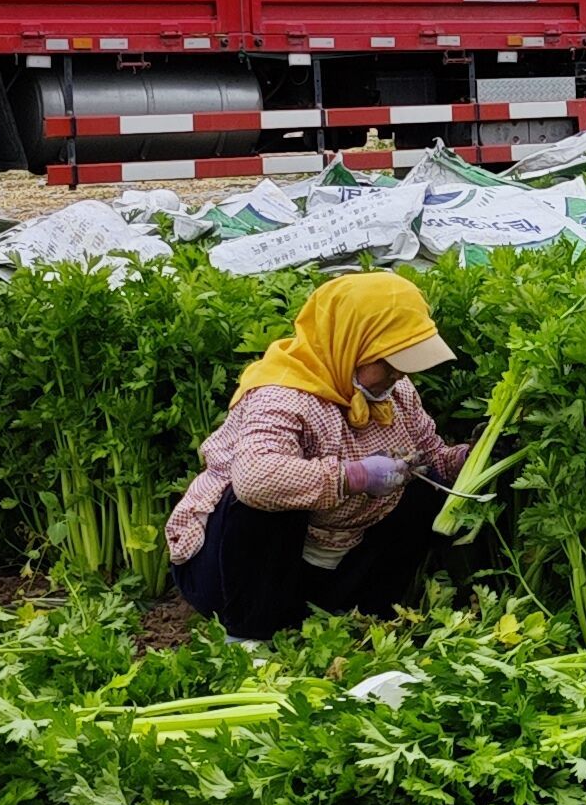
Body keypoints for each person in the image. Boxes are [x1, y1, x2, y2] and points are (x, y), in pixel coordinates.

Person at [163, 270, 469, 640]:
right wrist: (353, 477)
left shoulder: (395, 394)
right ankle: (249, 634)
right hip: (233, 574)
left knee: (425, 490)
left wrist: (469, 457)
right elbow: (255, 479)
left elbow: (430, 456)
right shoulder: (282, 394)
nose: (396, 375)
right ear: (350, 343)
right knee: (263, 503)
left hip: (328, 559)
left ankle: (359, 615)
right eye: (387, 363)